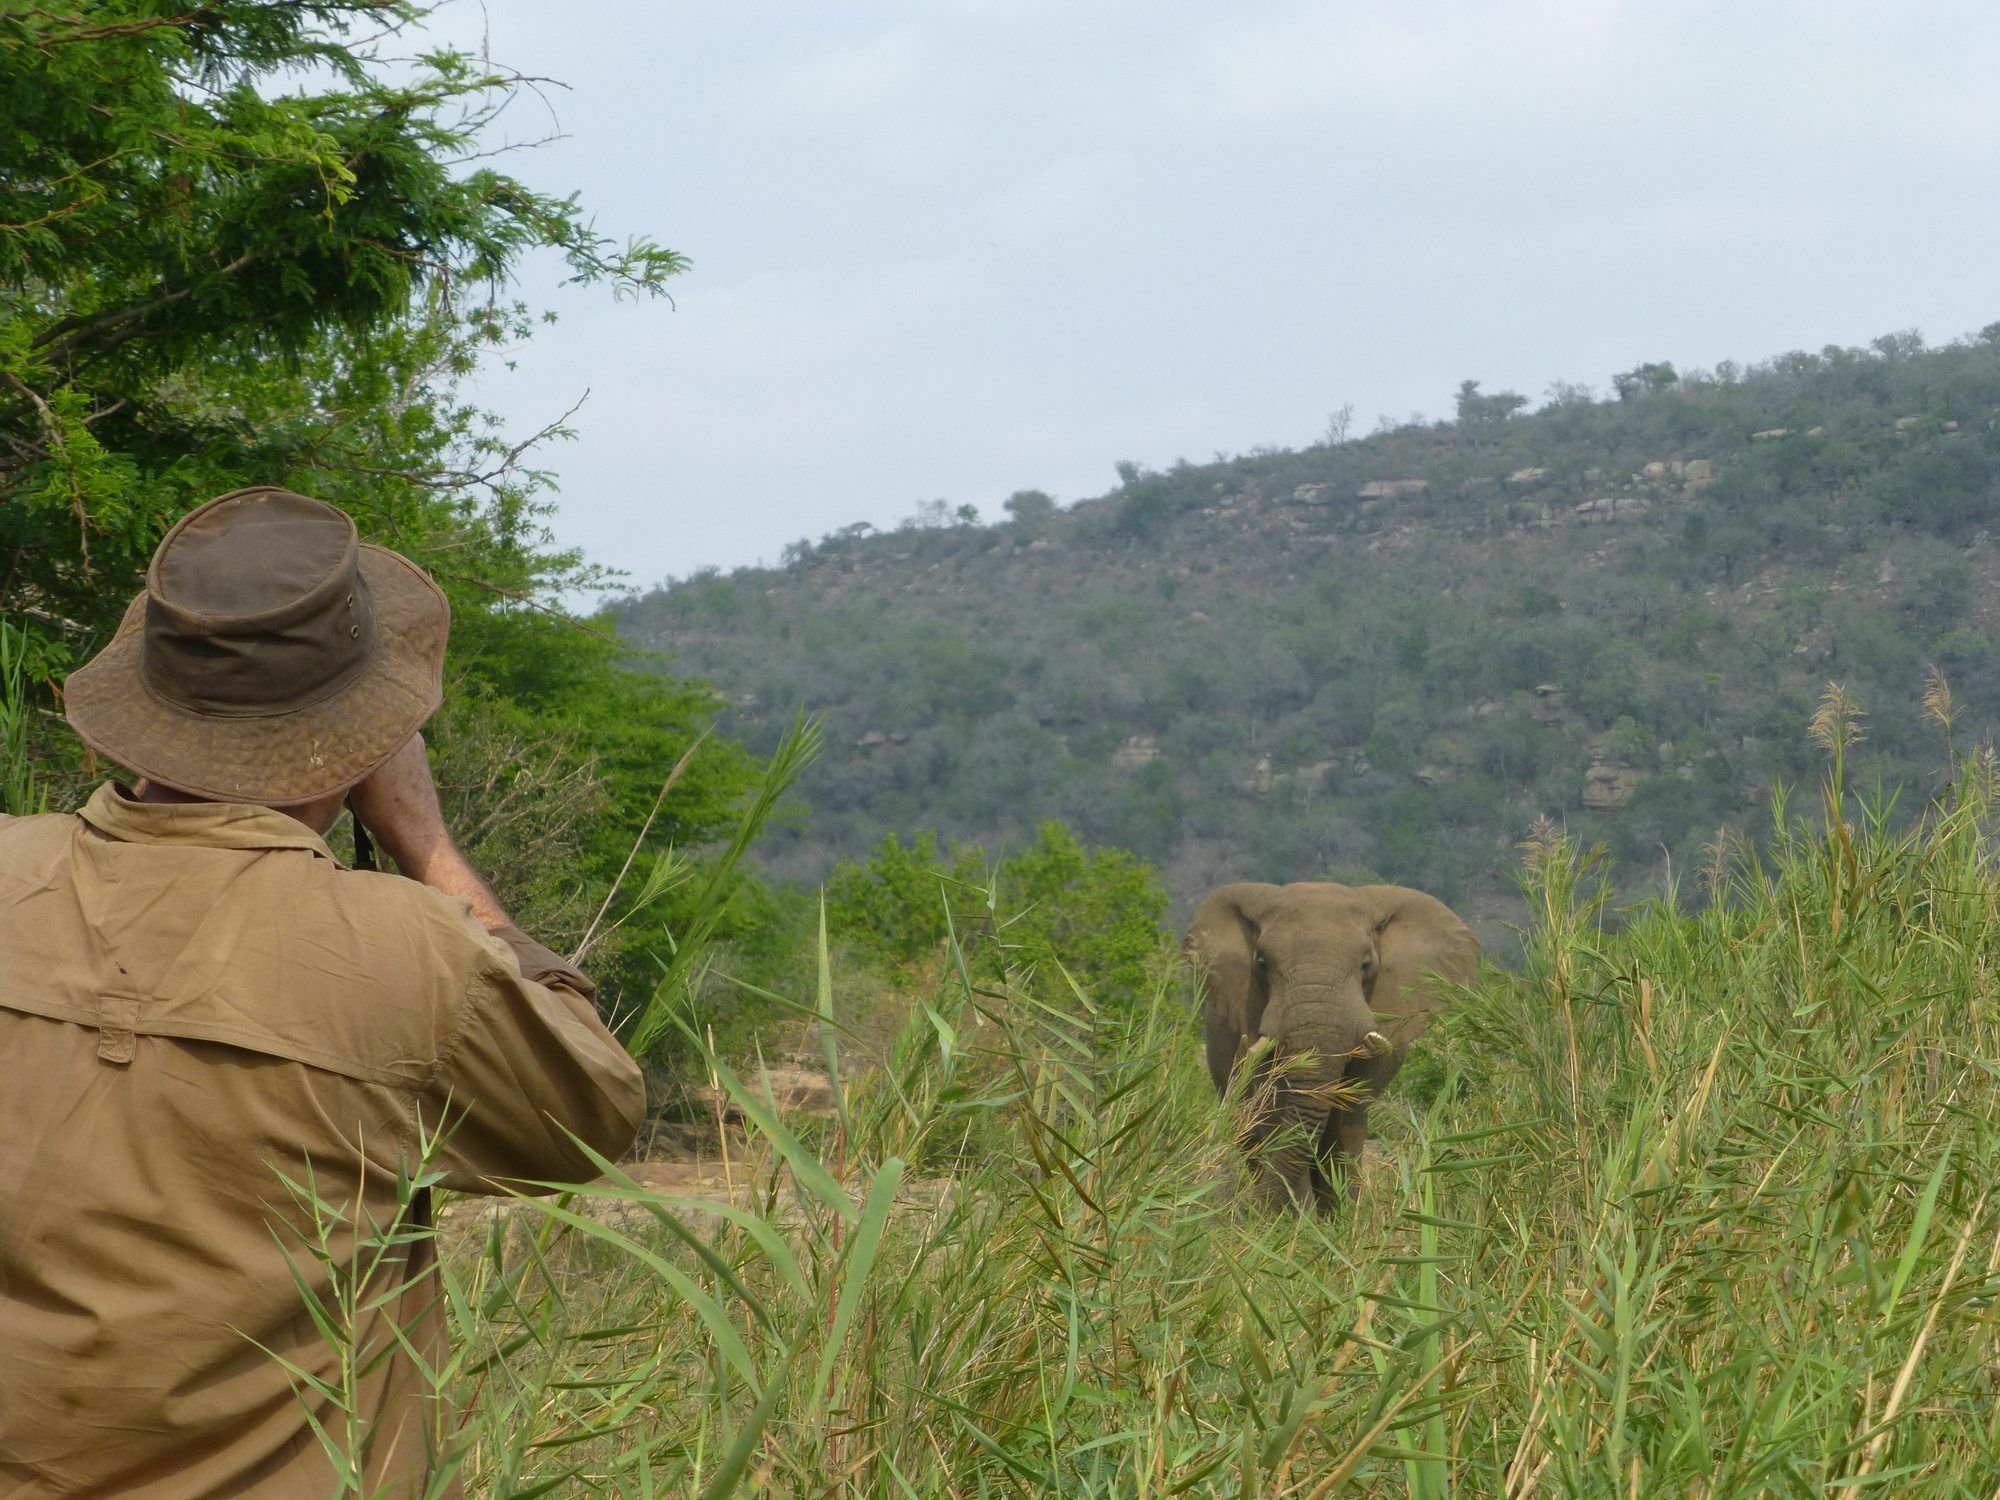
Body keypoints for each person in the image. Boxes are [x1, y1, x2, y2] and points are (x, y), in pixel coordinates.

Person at [0, 488, 646, 1498]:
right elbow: (590, 1112)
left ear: (144, 704)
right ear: (356, 735)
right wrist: (427, 847)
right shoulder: (406, 953)